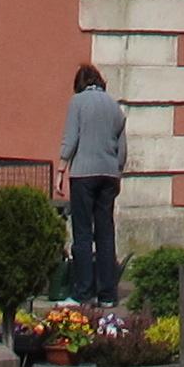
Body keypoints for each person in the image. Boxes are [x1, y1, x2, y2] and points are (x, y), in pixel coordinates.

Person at [59, 61, 128, 303]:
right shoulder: (114, 107)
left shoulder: (77, 102)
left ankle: (82, 292)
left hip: (84, 174)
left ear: (79, 83)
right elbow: (122, 150)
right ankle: (108, 294)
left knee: (83, 233)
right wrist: (116, 172)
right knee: (106, 233)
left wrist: (61, 168)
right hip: (109, 175)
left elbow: (71, 138)